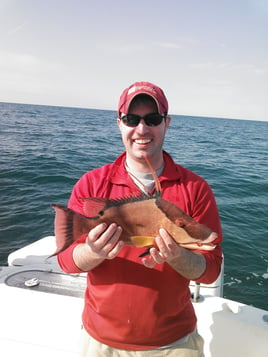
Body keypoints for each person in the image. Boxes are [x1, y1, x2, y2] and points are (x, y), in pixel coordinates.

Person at [57, 81, 223, 356]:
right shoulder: (92, 184)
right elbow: (66, 262)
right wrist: (93, 251)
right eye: (132, 119)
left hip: (174, 342)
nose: (142, 129)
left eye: (153, 119)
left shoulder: (195, 188)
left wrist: (177, 256)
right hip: (101, 341)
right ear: (119, 123)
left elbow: (212, 270)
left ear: (166, 123)